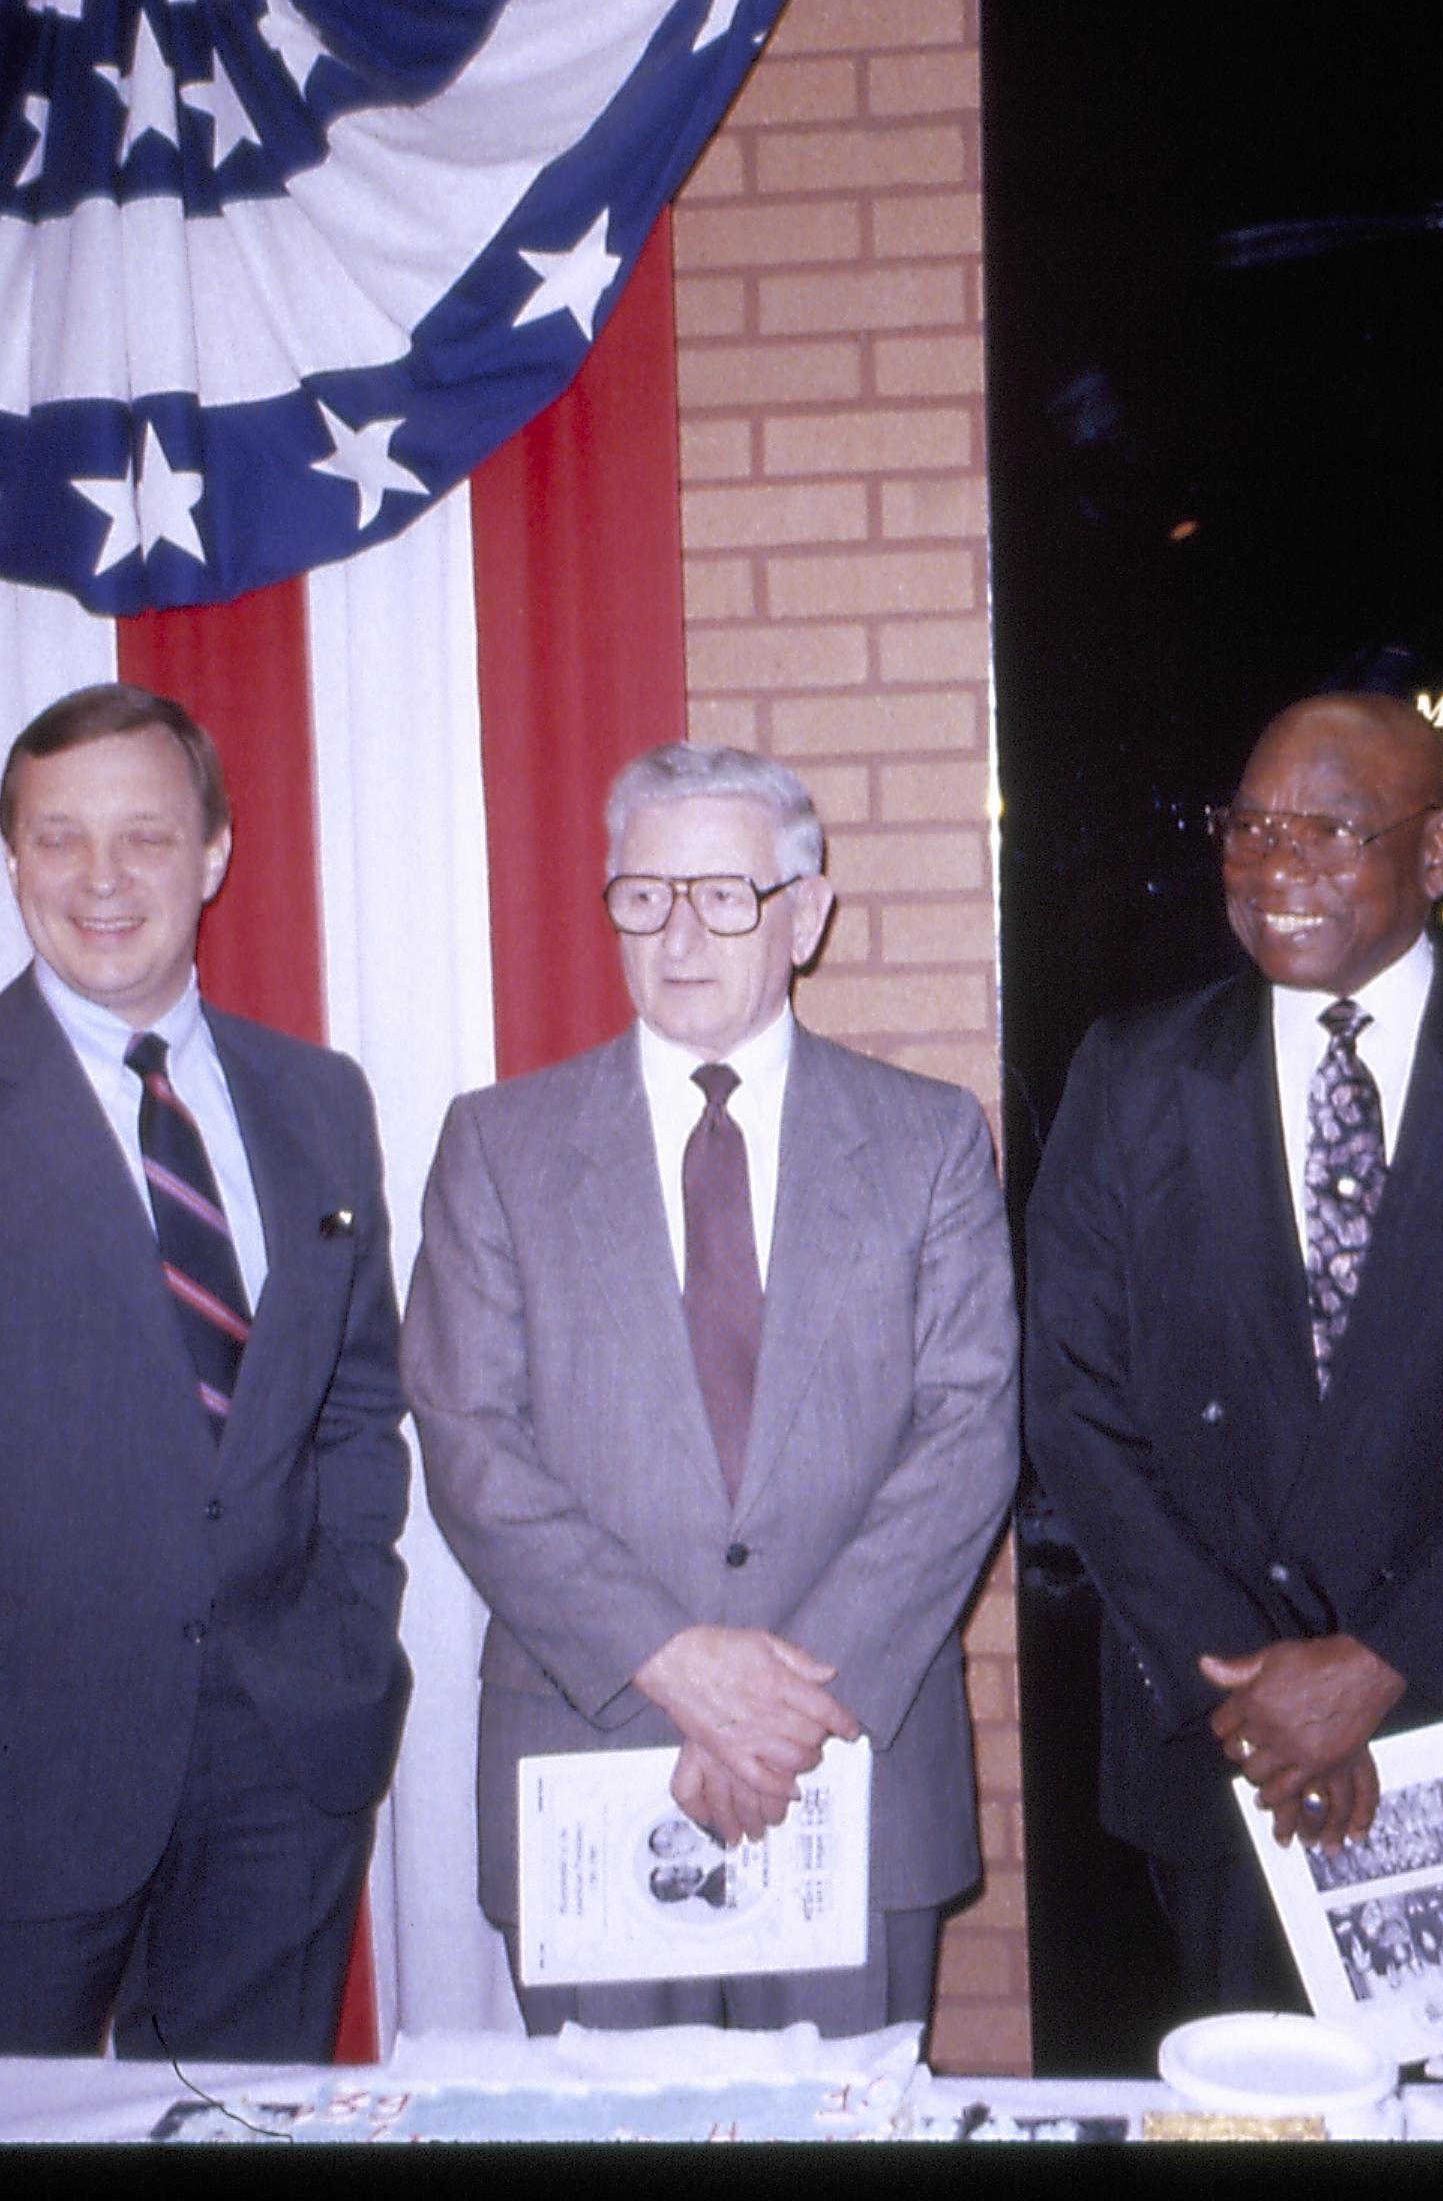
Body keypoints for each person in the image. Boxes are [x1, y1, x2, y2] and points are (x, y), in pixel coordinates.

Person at [0, 684, 413, 2060]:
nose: (103, 879)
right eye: (60, 839)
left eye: (147, 837)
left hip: (283, 1767)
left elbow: (356, 1402)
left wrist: (351, 1619)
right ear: (12, 860)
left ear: (216, 853)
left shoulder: (320, 1099)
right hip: (1, 1799)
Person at [1022, 692, 1443, 2017]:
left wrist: (1380, 1666)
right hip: (1224, 1742)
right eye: (1249, 828)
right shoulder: (1133, 1075)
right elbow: (1073, 1408)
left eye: (1329, 831)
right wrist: (1259, 1694)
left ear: (1438, 854)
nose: (1273, 871)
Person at [403, 741, 1015, 2038]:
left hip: (850, 1758)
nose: (680, 934)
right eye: (645, 895)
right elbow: (467, 1442)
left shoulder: (933, 1139)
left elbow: (969, 1433)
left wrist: (779, 1707)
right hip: (591, 1749)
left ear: (806, 914)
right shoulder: (498, 1147)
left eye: (725, 895)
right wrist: (678, 1666)